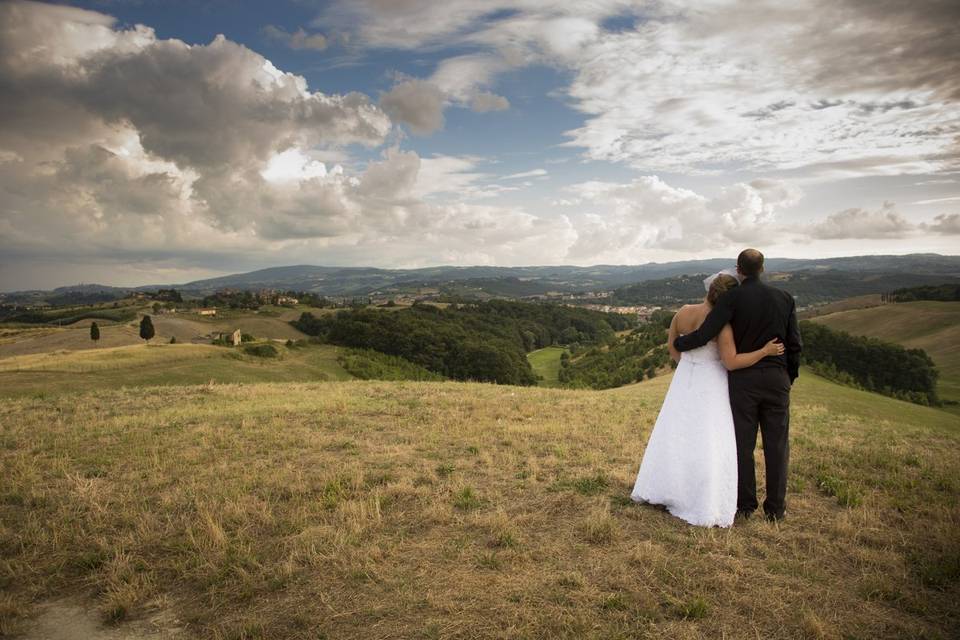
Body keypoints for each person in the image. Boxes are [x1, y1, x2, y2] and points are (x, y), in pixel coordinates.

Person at [630, 271, 784, 527]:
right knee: (707, 439)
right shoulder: (721, 325)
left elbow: (673, 348)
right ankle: (697, 496)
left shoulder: (683, 312)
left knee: (675, 434)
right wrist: (765, 351)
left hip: (684, 380)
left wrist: (690, 367)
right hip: (711, 384)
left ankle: (665, 488)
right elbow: (732, 362)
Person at [673, 249, 802, 522]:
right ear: (762, 268)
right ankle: (776, 510)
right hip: (777, 379)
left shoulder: (732, 297)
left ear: (739, 269)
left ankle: (745, 505)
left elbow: (706, 333)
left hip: (745, 381)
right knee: (777, 445)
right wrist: (788, 377)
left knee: (743, 444)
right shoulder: (785, 298)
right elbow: (795, 344)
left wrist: (680, 344)